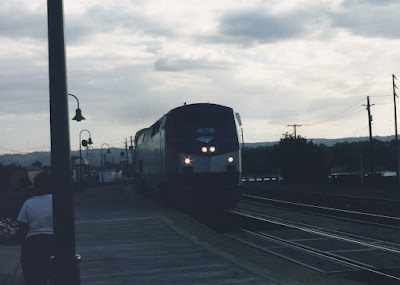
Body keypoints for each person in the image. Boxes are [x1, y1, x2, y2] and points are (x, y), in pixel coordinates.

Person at [17, 172, 55, 285]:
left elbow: (21, 225)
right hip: (54, 241)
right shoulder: (58, 201)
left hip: (33, 242)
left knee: (34, 277)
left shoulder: (29, 203)